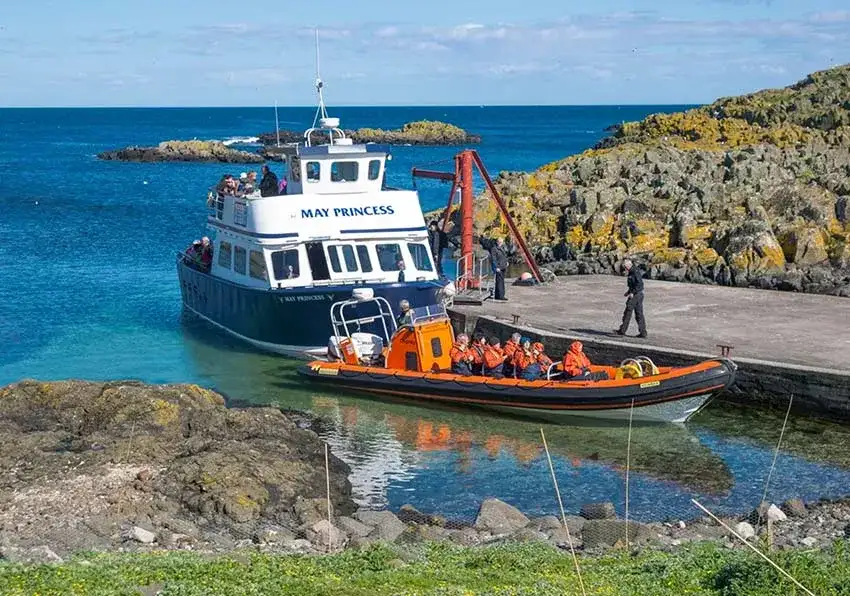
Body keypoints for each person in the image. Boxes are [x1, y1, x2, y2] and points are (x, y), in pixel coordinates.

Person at [616, 259, 647, 338]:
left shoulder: (635, 272)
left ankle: (622, 330)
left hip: (637, 295)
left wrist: (632, 293)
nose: (625, 268)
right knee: (639, 313)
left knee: (628, 312)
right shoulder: (632, 271)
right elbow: (633, 284)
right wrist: (628, 292)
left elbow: (639, 284)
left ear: (629, 265)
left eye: (625, 267)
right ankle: (643, 333)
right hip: (639, 294)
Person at [480, 236, 509, 301]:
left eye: (501, 242)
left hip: (503, 266)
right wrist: (496, 267)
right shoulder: (494, 249)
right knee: (499, 282)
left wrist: (506, 262)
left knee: (501, 281)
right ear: (497, 242)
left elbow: (504, 256)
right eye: (500, 242)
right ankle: (500, 296)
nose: (501, 243)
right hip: (498, 267)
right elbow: (494, 259)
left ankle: (500, 295)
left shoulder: (502, 248)